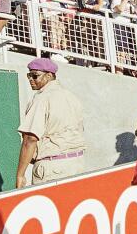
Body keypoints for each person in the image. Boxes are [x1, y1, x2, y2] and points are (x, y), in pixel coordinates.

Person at [16, 58, 86, 188]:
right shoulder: (71, 97)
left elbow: (30, 139)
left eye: (34, 75)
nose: (30, 79)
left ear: (49, 75)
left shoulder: (42, 98)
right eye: (28, 75)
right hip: (77, 163)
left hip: (52, 167)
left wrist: (20, 175)